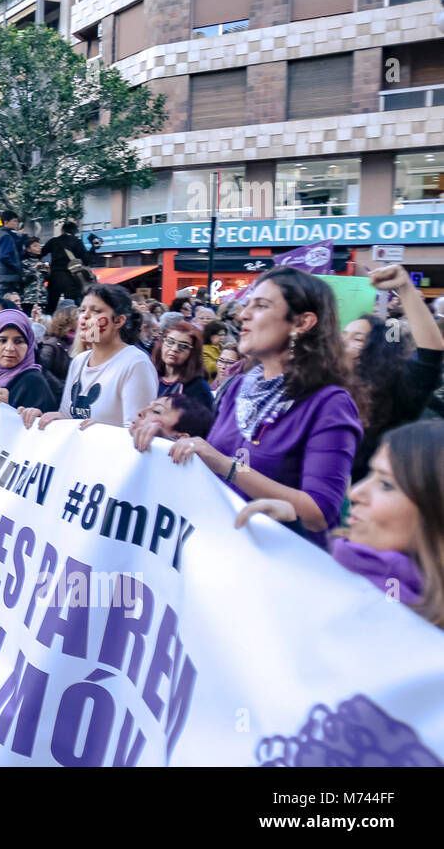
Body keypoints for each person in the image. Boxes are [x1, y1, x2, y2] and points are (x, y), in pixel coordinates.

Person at [165, 267, 361, 548]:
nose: (244, 314)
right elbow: (207, 459)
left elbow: (319, 513)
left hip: (280, 569)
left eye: (261, 305)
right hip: (218, 554)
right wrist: (165, 440)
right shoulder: (236, 387)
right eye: (247, 304)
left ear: (302, 322)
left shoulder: (329, 403)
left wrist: (228, 467)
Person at [236, 421, 444, 630]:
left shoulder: (405, 634)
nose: (355, 493)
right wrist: (290, 531)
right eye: (370, 476)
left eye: (386, 484)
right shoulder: (356, 573)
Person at [343, 264, 444, 483]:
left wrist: (405, 289)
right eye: (343, 335)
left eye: (357, 339)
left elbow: (430, 352)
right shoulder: (319, 388)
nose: (343, 343)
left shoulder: (394, 389)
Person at [20, 284, 158, 430]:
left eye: (96, 311)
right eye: (82, 310)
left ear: (118, 321)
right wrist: (43, 418)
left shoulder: (136, 364)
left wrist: (100, 431)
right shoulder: (79, 361)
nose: (85, 316)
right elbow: (67, 416)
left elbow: (138, 432)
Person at [151, 320, 213, 412]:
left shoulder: (198, 387)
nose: (174, 349)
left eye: (183, 346)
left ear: (193, 353)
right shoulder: (150, 375)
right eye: (170, 342)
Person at [43, 221, 98, 314]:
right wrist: (93, 248)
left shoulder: (53, 241)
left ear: (62, 230)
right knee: (71, 306)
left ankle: (48, 324)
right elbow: (87, 260)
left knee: (51, 306)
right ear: (75, 232)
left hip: (55, 277)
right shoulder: (77, 242)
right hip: (71, 278)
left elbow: (41, 253)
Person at [37, 306, 76, 389]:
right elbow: (42, 368)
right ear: (68, 321)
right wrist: (63, 387)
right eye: (77, 318)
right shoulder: (52, 345)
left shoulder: (73, 342)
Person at [0, 214, 25, 300]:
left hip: (5, 278)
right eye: (14, 221)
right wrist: (17, 267)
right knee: (6, 306)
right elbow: (5, 257)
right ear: (6, 222)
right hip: (7, 279)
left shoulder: (6, 235)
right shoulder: (6, 236)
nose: (17, 224)